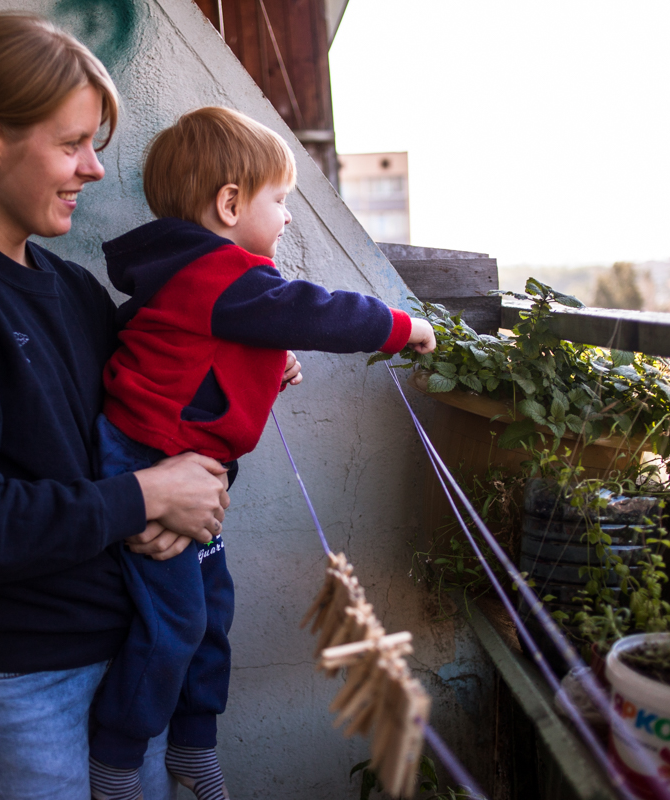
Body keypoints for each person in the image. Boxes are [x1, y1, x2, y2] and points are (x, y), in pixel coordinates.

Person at [0, 13, 286, 800]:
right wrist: (146, 498)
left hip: (125, 664)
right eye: (74, 143)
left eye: (96, 147)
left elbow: (155, 444)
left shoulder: (74, 291)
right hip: (17, 682)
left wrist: (196, 463)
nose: (96, 170)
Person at [85, 106, 437, 800]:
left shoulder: (200, 278)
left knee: (211, 611)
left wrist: (264, 366)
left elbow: (195, 349)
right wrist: (405, 327)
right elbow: (315, 312)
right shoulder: (223, 274)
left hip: (170, 458)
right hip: (144, 462)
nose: (286, 219)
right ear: (229, 204)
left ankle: (192, 745)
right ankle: (118, 760)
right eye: (280, 201)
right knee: (175, 621)